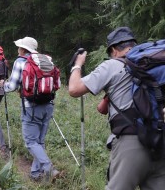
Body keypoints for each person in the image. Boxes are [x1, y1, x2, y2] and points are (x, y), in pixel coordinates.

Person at [68, 26, 165, 189]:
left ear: (113, 49)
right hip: (160, 141)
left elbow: (74, 89)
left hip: (131, 144)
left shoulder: (112, 66)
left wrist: (77, 65)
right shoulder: (150, 66)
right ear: (133, 44)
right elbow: (102, 108)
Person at [0, 36, 60, 182]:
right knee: (39, 141)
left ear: (23, 49)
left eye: (19, 47)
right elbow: (57, 83)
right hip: (48, 105)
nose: (17, 49)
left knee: (30, 142)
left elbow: (12, 86)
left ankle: (48, 168)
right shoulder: (46, 60)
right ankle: (35, 173)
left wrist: (3, 84)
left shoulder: (20, 62)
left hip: (31, 107)